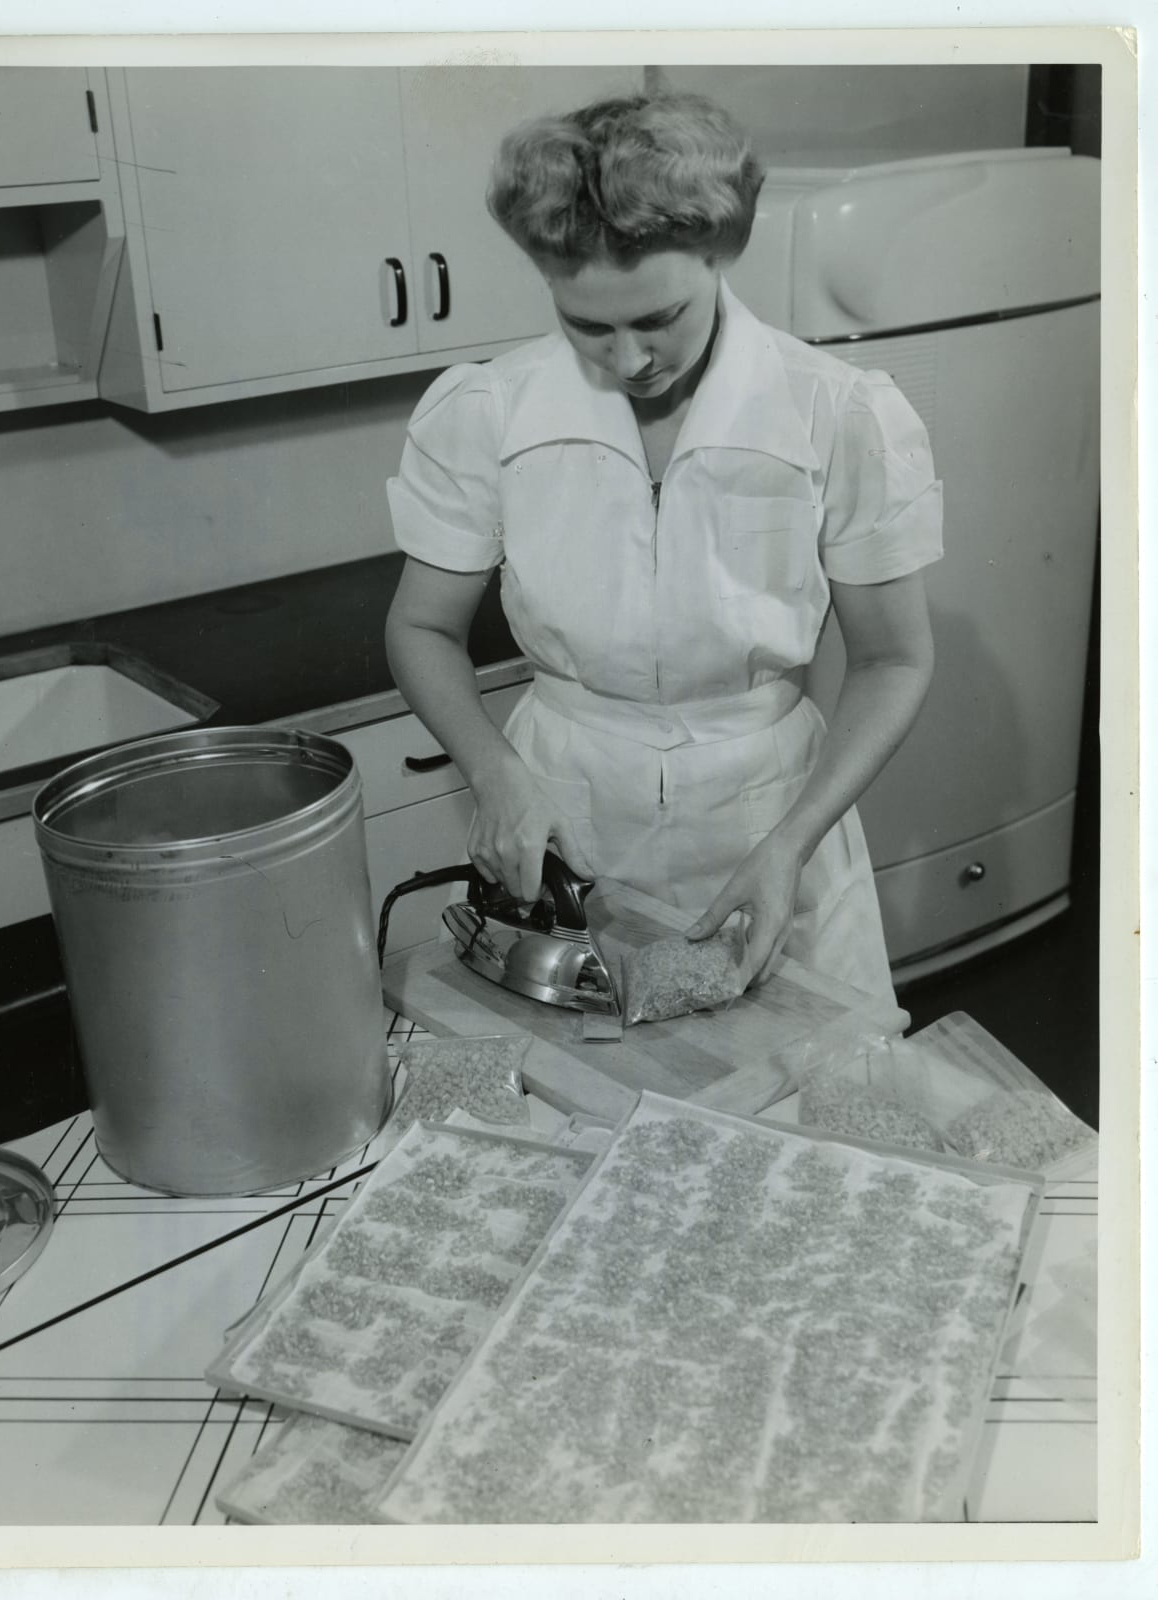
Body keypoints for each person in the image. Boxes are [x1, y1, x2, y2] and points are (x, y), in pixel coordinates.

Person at [384, 92, 940, 1004]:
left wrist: (791, 845)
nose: (630, 360)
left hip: (770, 815)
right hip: (566, 810)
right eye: (588, 326)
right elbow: (420, 627)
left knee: (801, 1112)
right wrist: (494, 773)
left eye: (659, 319)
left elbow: (895, 656)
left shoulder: (837, 412)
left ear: (722, 253)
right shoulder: (487, 411)